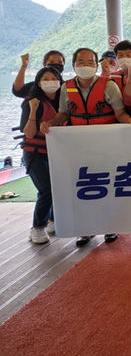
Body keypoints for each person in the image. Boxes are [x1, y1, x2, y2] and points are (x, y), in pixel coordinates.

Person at [41, 48, 131, 246]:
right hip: (79, 148)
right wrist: (50, 123)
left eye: (90, 62)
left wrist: (130, 121)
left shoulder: (109, 86)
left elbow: (120, 113)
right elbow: (63, 114)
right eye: (81, 62)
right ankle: (85, 230)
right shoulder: (66, 88)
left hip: (107, 146)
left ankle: (110, 227)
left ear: (96, 65)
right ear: (73, 65)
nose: (85, 65)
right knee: (83, 188)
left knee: (107, 186)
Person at [21, 67, 64, 244]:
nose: (50, 81)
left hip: (57, 152)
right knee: (46, 189)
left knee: (59, 188)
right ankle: (37, 227)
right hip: (35, 153)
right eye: (45, 78)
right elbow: (29, 133)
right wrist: (33, 110)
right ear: (39, 83)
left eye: (54, 78)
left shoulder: (64, 103)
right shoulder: (32, 102)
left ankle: (52, 221)